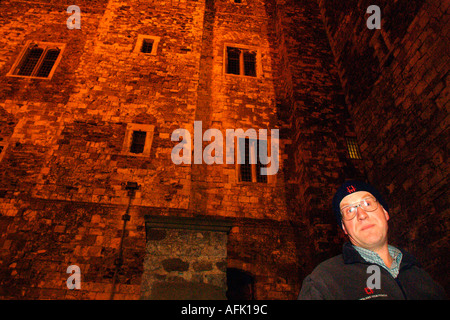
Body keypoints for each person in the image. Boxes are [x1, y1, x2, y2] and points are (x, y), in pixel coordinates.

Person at [297, 180, 447, 300]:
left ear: (385, 213)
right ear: (344, 228)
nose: (361, 214)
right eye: (350, 210)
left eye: (367, 203)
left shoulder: (422, 277)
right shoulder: (324, 282)